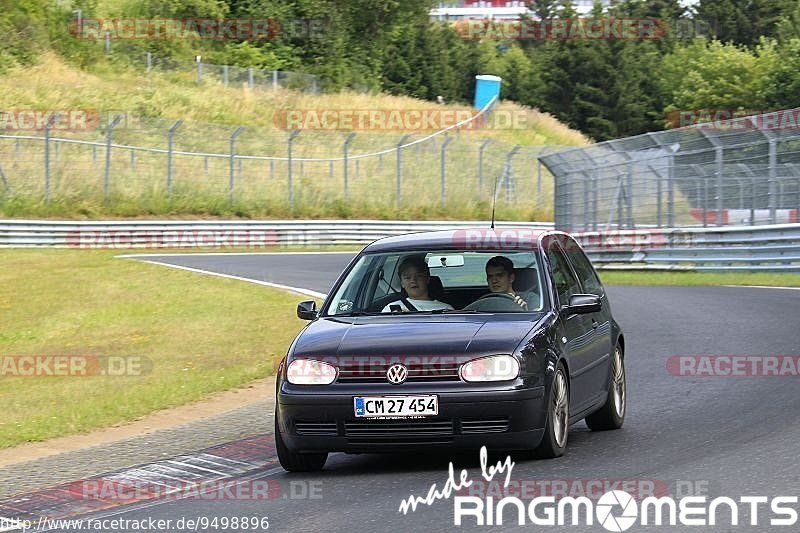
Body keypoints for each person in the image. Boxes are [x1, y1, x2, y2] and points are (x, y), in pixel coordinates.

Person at [382, 255, 453, 312]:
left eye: (419, 276)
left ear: (427, 279)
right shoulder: (391, 309)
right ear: (402, 283)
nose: (413, 280)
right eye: (407, 278)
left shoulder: (445, 309)